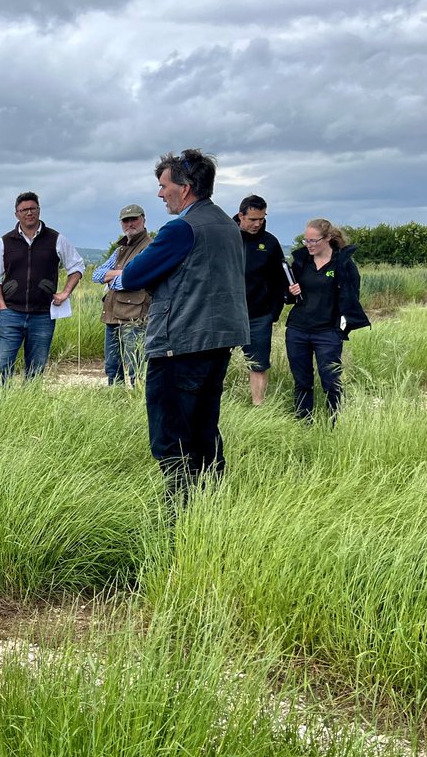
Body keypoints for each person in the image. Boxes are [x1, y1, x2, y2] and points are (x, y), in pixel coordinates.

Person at [107, 149, 249, 503]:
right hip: (218, 340)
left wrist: (118, 278)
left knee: (170, 433)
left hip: (180, 341)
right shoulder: (227, 225)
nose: (159, 194)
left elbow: (135, 274)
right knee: (204, 425)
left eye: (163, 185)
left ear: (185, 188)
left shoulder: (181, 229)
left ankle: (179, 507)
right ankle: (211, 502)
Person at [0, 192, 84, 382]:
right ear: (17, 214)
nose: (29, 213)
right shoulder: (5, 242)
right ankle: (0, 408)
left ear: (39, 210)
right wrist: (2, 308)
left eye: (32, 208)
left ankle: (29, 407)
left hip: (42, 316)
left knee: (36, 370)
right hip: (11, 315)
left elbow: (77, 266)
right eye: (24, 210)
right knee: (2, 367)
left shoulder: (56, 239)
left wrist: (65, 292)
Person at [285, 218, 370, 422]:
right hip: (298, 329)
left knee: (331, 380)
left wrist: (343, 326)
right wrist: (290, 292)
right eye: (306, 241)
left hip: (328, 332)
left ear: (328, 238)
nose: (309, 245)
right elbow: (287, 296)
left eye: (314, 241)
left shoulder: (343, 264)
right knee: (302, 381)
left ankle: (334, 421)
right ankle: (304, 421)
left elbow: (351, 297)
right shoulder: (300, 262)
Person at [235, 195, 289, 405]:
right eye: (253, 219)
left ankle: (258, 406)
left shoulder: (270, 243)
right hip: (227, 315)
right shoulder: (226, 236)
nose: (258, 223)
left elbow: (280, 279)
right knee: (216, 362)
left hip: (259, 315)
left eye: (262, 218)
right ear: (241, 215)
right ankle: (216, 405)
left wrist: (273, 312)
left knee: (258, 364)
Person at [91, 204, 154, 386]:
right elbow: (97, 275)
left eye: (134, 219)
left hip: (135, 317)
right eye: (125, 221)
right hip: (112, 315)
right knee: (112, 367)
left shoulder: (150, 247)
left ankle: (138, 405)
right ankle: (115, 402)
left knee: (137, 366)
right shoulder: (120, 250)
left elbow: (135, 279)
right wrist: (122, 273)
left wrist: (115, 276)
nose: (130, 224)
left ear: (143, 220)